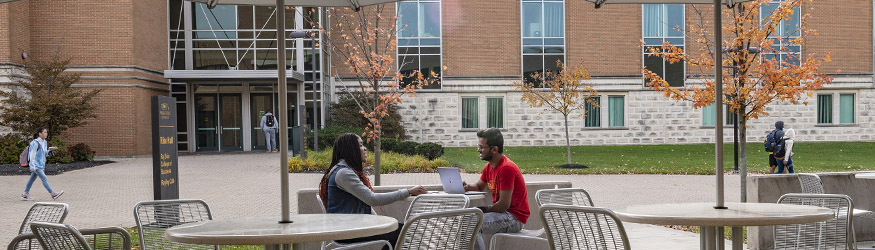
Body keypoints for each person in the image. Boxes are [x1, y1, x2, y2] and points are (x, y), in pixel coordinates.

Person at [318, 133, 427, 249]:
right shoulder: (344, 173)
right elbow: (372, 199)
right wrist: (408, 191)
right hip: (348, 230)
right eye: (360, 145)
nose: (365, 148)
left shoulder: (343, 170)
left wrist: (377, 221)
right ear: (351, 149)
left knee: (404, 230)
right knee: (406, 231)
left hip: (349, 226)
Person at [462, 128, 529, 250]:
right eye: (478, 146)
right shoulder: (489, 167)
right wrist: (466, 187)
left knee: (471, 223)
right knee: (466, 220)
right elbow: (479, 186)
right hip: (502, 214)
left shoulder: (506, 168)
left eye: (482, 147)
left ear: (494, 149)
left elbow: (504, 205)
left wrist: (482, 209)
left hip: (514, 218)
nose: (479, 150)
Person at [21, 127, 64, 201]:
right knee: (44, 178)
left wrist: (49, 152)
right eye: (44, 132)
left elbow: (43, 153)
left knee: (31, 179)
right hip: (36, 165)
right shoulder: (35, 143)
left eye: (46, 132)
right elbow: (32, 155)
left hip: (41, 164)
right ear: (39, 134)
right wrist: (32, 167)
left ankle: (25, 194)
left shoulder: (44, 142)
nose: (46, 134)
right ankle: (53, 194)